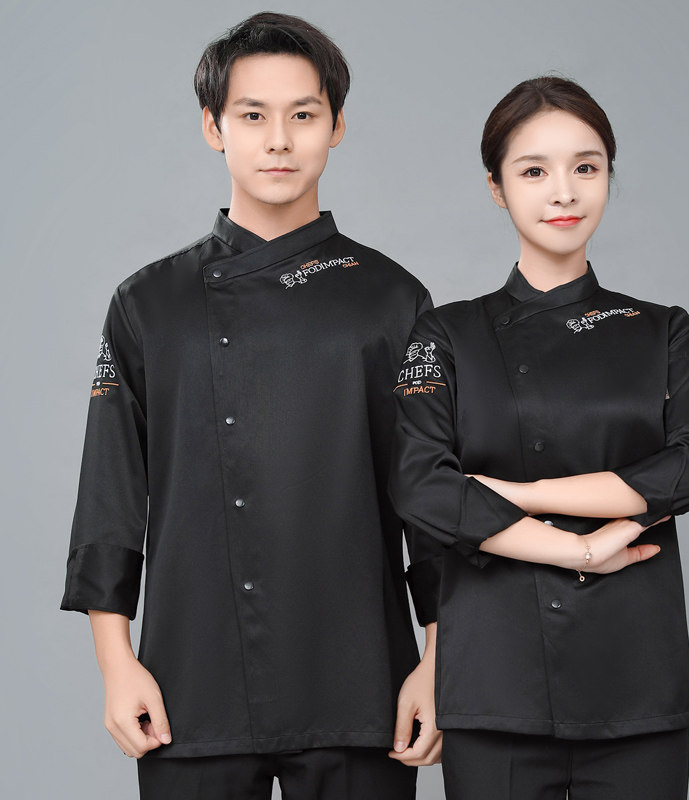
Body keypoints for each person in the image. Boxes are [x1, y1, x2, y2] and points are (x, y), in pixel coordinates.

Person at [61, 12, 441, 800]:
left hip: (360, 680)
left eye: (303, 115)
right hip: (188, 682)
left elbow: (432, 500)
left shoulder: (393, 299)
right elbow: (110, 494)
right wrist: (116, 662)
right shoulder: (147, 304)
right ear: (213, 127)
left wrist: (437, 660)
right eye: (253, 116)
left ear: (337, 126)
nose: (279, 141)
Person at [389, 76, 689, 800]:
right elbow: (420, 486)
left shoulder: (664, 330)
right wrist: (583, 550)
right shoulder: (445, 334)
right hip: (493, 683)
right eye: (534, 171)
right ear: (497, 188)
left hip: (636, 679)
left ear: (608, 176)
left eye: (586, 167)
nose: (564, 192)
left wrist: (521, 492)